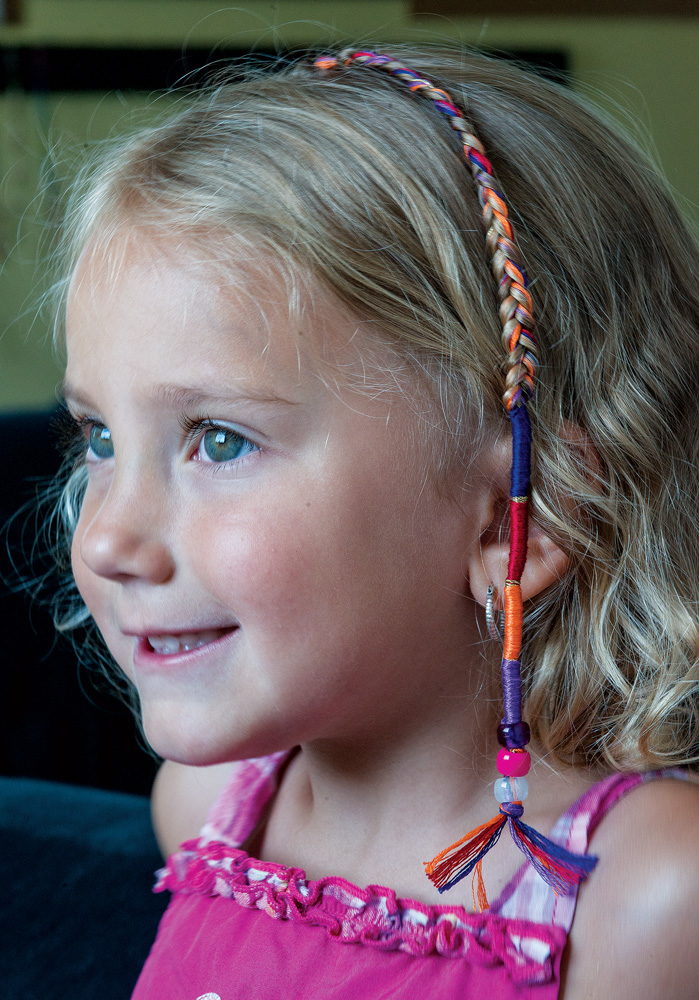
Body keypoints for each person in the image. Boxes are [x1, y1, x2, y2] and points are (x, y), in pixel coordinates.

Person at [54, 45, 698, 998]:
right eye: (100, 438)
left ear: (516, 517)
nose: (106, 539)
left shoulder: (646, 895)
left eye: (219, 441)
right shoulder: (206, 813)